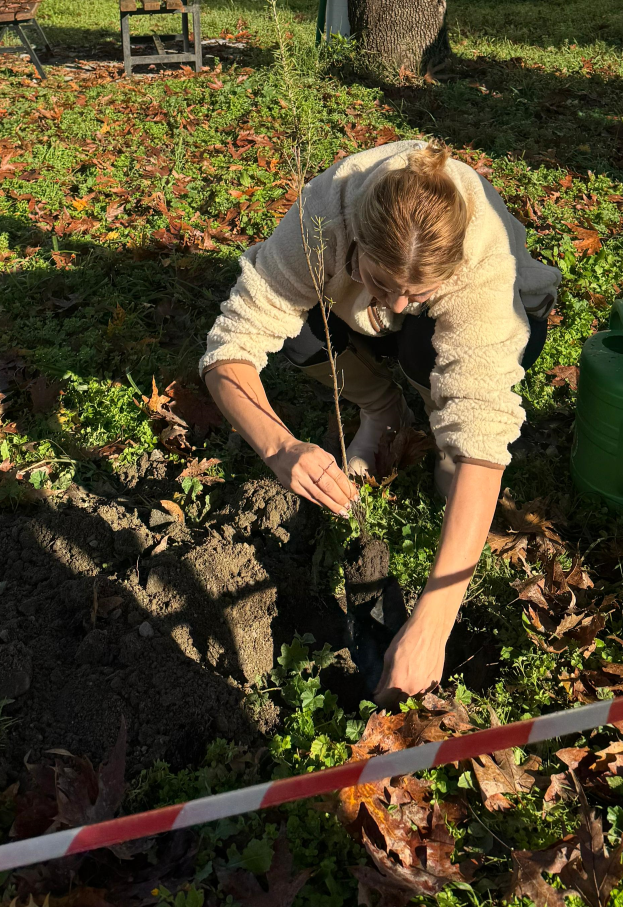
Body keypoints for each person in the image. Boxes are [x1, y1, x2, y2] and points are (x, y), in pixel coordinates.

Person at [201, 138, 560, 700]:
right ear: (356, 241)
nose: (396, 303)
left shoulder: (480, 261)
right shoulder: (321, 220)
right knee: (297, 333)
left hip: (501, 321)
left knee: (430, 360)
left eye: (415, 291)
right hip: (350, 299)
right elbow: (228, 351)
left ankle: (439, 442)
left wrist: (431, 627)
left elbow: (486, 438)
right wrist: (280, 447)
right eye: (384, 282)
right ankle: (381, 408)